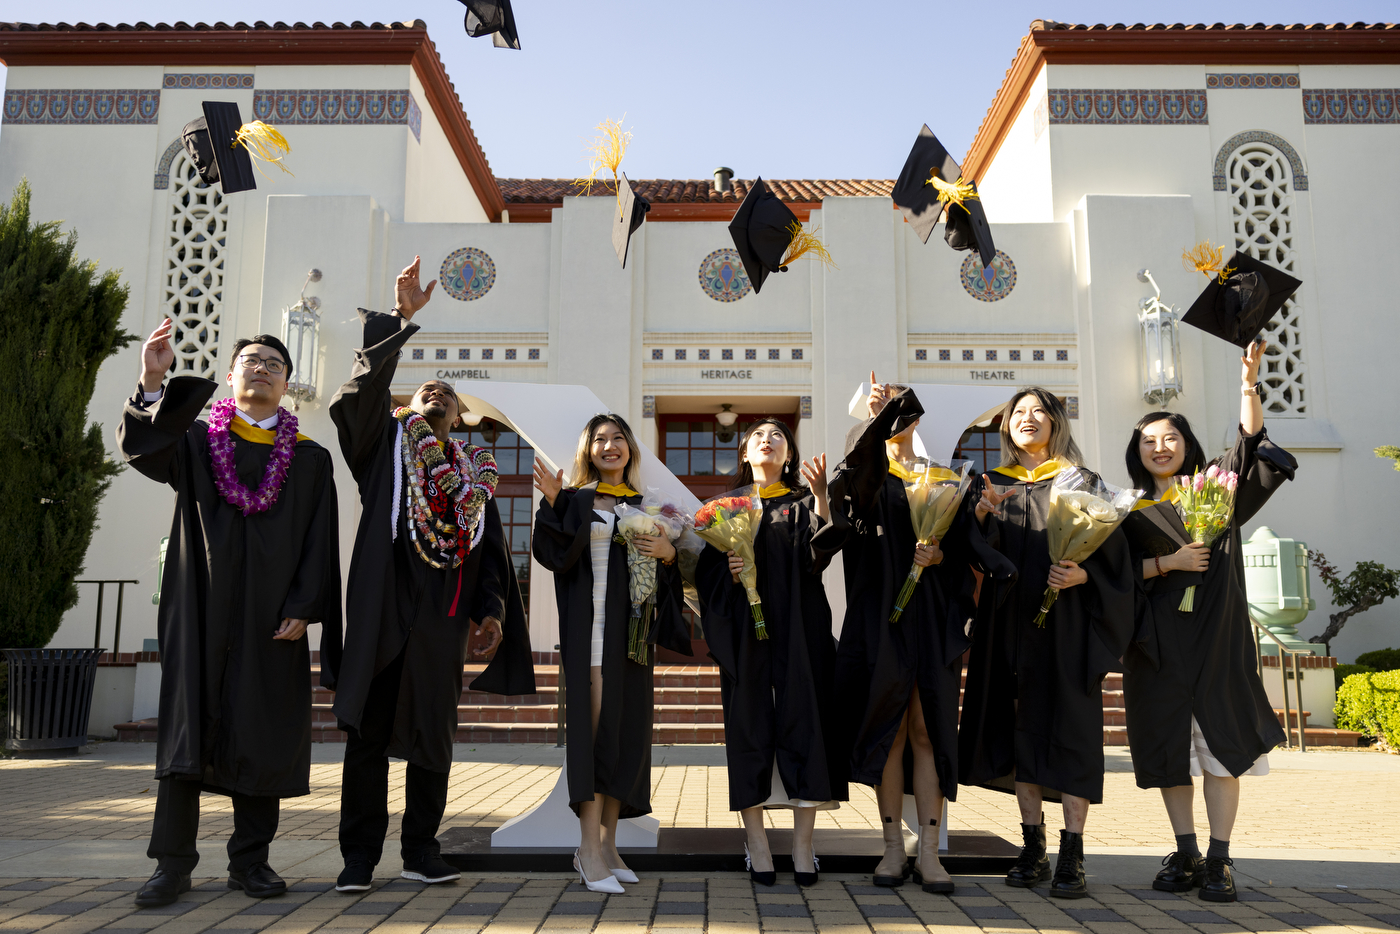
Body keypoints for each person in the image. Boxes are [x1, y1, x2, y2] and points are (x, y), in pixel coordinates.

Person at [118, 323, 342, 908]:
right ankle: (171, 865)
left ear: (289, 383)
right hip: (200, 608)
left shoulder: (311, 461)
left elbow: (321, 539)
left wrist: (303, 605)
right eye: (251, 360)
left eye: (273, 362)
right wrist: (152, 379)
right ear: (231, 376)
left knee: (262, 727)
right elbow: (143, 448)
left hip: (273, 615)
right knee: (188, 726)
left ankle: (251, 862)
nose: (262, 368)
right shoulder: (193, 443)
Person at [329, 257, 534, 892]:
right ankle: (359, 858)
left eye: (447, 394)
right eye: (426, 391)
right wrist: (397, 320)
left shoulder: (473, 480)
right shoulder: (381, 451)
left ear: (459, 417)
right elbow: (360, 399)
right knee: (367, 736)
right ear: (408, 407)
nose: (437, 394)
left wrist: (493, 611)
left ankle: (420, 849)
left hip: (442, 616)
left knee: (432, 741)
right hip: (385, 606)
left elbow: (491, 554)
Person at [1120, 340, 1291, 903]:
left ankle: (1219, 859)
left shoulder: (1214, 487)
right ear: (1136, 453)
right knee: (1171, 750)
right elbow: (1115, 576)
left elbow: (1248, 445)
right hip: (1158, 644)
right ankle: (1186, 851)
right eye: (1148, 441)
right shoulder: (1126, 510)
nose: (1159, 447)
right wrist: (1168, 562)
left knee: (1218, 746)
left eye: (1170, 438)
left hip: (1215, 638)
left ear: (1187, 445)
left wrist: (1248, 386)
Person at [957, 387, 1135, 899]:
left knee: (1072, 732)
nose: (1027, 419)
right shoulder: (994, 486)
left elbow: (1114, 562)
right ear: (1006, 426)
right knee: (1019, 732)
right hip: (1010, 624)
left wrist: (1085, 578)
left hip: (1067, 628)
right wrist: (983, 518)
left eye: (1038, 411)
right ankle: (1032, 846)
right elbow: (974, 555)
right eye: (1018, 413)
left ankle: (1073, 853)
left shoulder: (1083, 484)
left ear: (1056, 421)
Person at [822, 376, 975, 894]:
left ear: (917, 417)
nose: (896, 417)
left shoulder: (944, 479)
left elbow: (964, 552)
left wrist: (941, 555)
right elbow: (846, 499)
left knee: (926, 730)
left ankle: (928, 852)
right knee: (886, 732)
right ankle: (891, 849)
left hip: (930, 618)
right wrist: (869, 421)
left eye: (902, 409)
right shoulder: (869, 474)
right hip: (880, 620)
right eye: (886, 411)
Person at [531, 415, 692, 893]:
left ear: (630, 450)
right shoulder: (576, 498)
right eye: (599, 439)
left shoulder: (649, 506)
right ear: (588, 450)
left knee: (625, 733)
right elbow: (553, 555)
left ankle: (609, 843)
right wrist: (556, 504)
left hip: (634, 635)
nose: (610, 446)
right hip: (592, 632)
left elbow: (671, 575)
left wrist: (667, 553)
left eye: (618, 438)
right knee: (597, 732)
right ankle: (586, 849)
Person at [696, 418, 846, 887]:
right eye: (759, 435)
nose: (768, 440)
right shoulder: (723, 508)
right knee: (749, 725)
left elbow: (818, 557)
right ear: (745, 451)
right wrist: (730, 566)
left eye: (778, 436)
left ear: (789, 454)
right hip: (745, 632)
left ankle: (803, 844)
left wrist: (822, 498)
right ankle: (756, 843)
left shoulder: (803, 502)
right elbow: (702, 578)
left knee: (806, 723)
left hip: (800, 630)